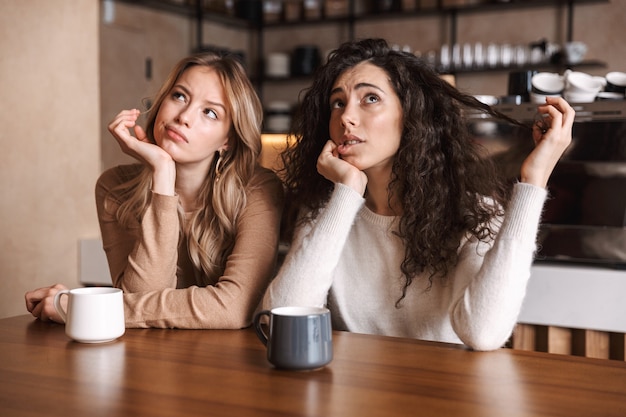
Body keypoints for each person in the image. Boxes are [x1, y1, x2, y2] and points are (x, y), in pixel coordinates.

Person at [262, 38, 574, 351]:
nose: (346, 117)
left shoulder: (474, 213)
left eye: (370, 98)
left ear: (411, 116)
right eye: (338, 103)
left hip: (440, 391)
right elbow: (277, 322)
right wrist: (346, 193)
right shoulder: (326, 209)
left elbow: (483, 333)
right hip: (350, 392)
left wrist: (533, 182)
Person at [26, 52, 283, 329]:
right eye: (180, 96)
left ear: (228, 140)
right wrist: (162, 174)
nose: (183, 116)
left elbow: (234, 308)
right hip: (147, 360)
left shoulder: (258, 189)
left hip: (232, 363)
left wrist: (84, 309)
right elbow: (139, 298)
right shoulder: (114, 188)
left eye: (210, 112)